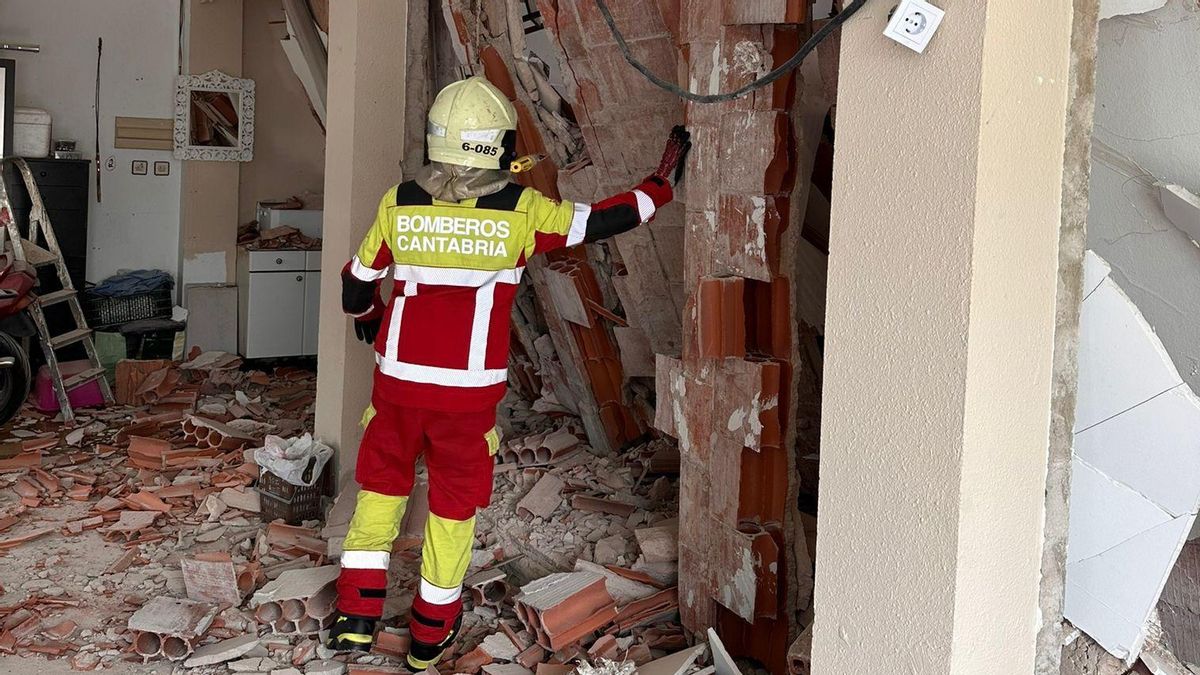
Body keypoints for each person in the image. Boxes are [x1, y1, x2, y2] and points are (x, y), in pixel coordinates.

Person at [327, 75, 690, 670]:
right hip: (466, 398)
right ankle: (428, 637)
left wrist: (368, 313)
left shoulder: (400, 202)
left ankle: (355, 621)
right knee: (451, 511)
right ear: (500, 145)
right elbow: (603, 220)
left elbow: (356, 280)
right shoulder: (521, 211)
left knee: (381, 492)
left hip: (397, 387)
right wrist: (661, 184)